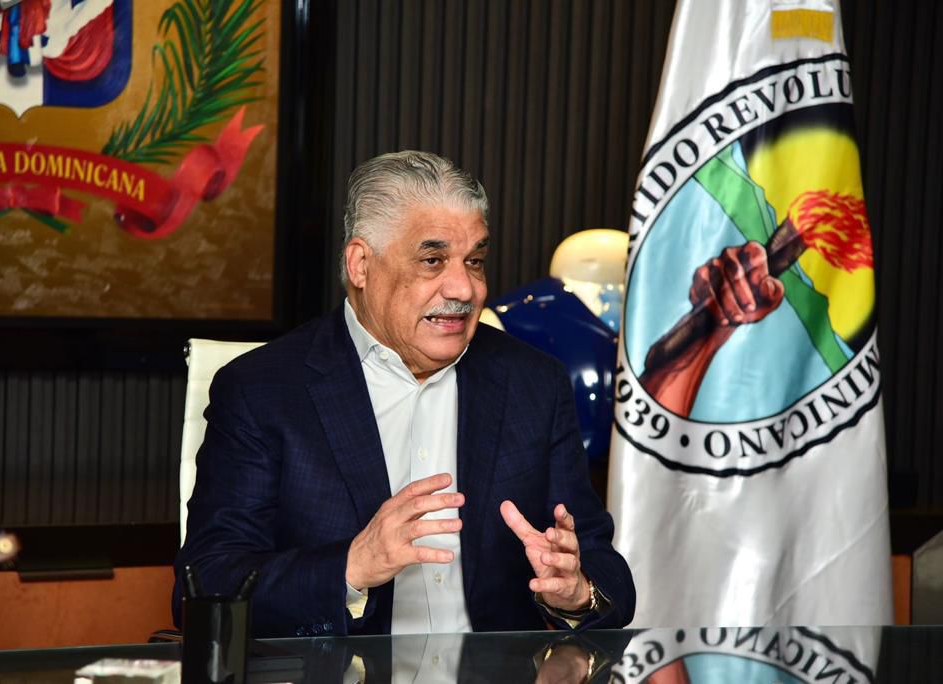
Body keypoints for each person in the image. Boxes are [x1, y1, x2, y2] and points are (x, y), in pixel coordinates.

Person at [173, 151, 634, 637]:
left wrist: (576, 591)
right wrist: (351, 566)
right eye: (432, 260)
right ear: (361, 264)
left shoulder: (533, 383)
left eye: (474, 261)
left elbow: (607, 574)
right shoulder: (261, 390)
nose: (464, 288)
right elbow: (204, 587)